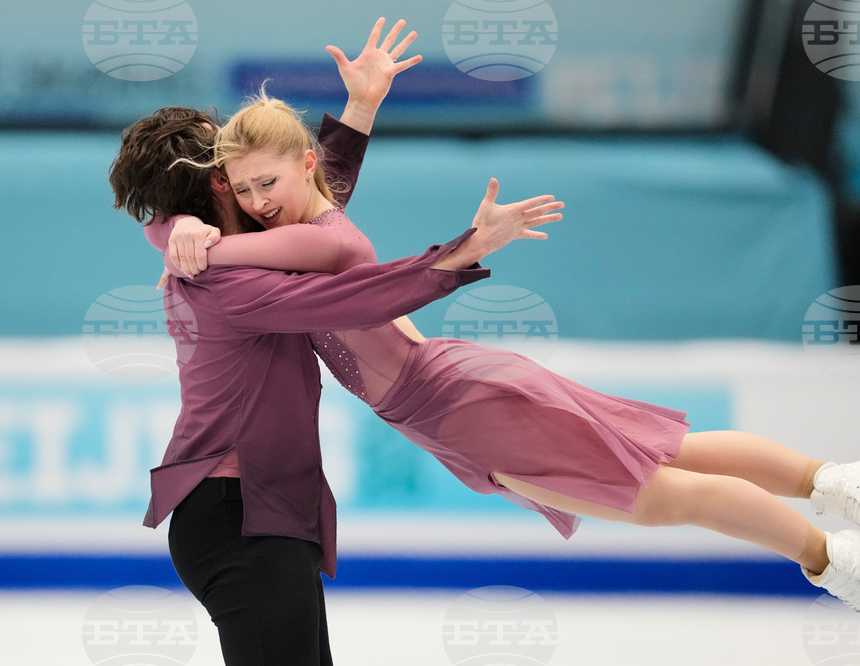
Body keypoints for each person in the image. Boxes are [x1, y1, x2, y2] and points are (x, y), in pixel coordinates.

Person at [157, 88, 860, 658]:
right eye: (246, 189)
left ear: (300, 167)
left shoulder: (314, 239)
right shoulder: (300, 216)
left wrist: (186, 235)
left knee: (662, 494)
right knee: (672, 450)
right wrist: (354, 114)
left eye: (268, 184)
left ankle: (833, 561)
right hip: (461, 391)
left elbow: (340, 257)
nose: (258, 204)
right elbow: (317, 190)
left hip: (463, 405)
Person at [111, 19, 561, 666]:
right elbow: (354, 289)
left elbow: (314, 197)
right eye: (233, 166)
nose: (252, 175)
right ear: (217, 186)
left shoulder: (239, 251)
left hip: (258, 514)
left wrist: (361, 106)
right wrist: (469, 249)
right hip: (237, 519)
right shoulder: (229, 283)